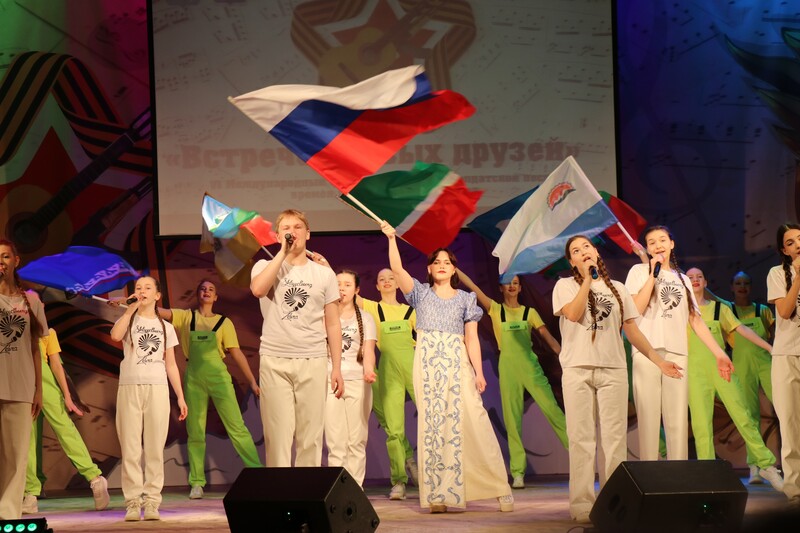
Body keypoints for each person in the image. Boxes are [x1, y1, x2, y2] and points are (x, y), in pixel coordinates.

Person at [381, 221, 514, 513]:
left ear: (454, 270)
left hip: (456, 362)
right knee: (433, 426)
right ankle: (439, 495)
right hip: (427, 365)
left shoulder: (466, 299)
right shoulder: (420, 294)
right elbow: (398, 270)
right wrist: (391, 239)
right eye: (437, 262)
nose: (442, 265)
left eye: (447, 262)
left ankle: (499, 488)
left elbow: (472, 338)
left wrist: (479, 372)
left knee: (475, 420)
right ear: (429, 269)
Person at [555, 235, 682, 522]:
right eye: (576, 250)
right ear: (571, 261)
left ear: (596, 251)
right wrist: (587, 280)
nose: (583, 251)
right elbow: (573, 314)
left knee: (615, 440)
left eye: (586, 246)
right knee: (582, 439)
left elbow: (632, 330)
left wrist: (658, 360)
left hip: (613, 369)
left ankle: (613, 503)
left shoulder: (620, 289)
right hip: (577, 369)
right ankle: (582, 503)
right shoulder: (564, 286)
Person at [111, 279, 263, 499]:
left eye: (211, 289)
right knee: (195, 431)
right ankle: (197, 482)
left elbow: (237, 353)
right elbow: (154, 309)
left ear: (216, 297)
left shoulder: (224, 323)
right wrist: (126, 302)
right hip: (194, 378)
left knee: (237, 427)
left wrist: (252, 381)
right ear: (197, 294)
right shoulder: (185, 317)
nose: (206, 291)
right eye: (202, 288)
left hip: (219, 378)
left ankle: (257, 475)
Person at [625, 226, 733, 461]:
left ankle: (678, 473)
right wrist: (652, 274)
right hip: (647, 352)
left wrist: (719, 353)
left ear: (672, 244)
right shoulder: (638, 272)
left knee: (677, 420)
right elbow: (635, 309)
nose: (658, 245)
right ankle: (650, 474)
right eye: (652, 242)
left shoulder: (682, 279)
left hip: (677, 353)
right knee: (649, 419)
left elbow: (695, 319)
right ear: (647, 248)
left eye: (662, 240)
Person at [250, 209, 343, 468]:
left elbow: (333, 323)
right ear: (278, 235)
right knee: (278, 435)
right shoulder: (264, 266)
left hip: (313, 358)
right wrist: (282, 253)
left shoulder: (324, 274)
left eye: (298, 227)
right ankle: (279, 491)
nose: (292, 232)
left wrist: (336, 367)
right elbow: (258, 289)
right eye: (286, 228)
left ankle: (306, 491)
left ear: (308, 234)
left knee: (310, 436)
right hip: (275, 359)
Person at [458, 269, 568, 489]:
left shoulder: (529, 312)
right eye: (507, 283)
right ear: (501, 288)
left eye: (515, 283)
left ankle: (581, 458)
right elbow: (473, 287)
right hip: (508, 369)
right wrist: (456, 270)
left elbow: (549, 340)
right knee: (512, 420)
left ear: (520, 288)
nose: (511, 286)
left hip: (530, 367)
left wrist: (566, 358)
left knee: (554, 412)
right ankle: (518, 472)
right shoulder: (495, 309)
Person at [684, 267, 783, 490]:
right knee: (701, 425)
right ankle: (707, 475)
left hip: (723, 369)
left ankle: (765, 465)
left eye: (699, 276)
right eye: (690, 277)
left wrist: (769, 347)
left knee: (743, 415)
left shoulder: (720, 308)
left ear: (706, 282)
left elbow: (742, 330)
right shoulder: (680, 311)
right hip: (695, 373)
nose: (695, 280)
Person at [110, 275, 188, 521]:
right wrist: (129, 309)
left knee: (154, 448)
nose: (142, 291)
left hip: (157, 388)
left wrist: (180, 396)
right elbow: (115, 336)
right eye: (138, 288)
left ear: (157, 295)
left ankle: (152, 501)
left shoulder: (166, 327)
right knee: (131, 448)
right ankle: (133, 502)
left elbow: (171, 364)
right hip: (129, 387)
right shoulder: (128, 319)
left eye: (147, 288)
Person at [22, 326, 110, 514]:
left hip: (46, 384)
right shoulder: (12, 330)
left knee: (66, 431)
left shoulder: (48, 332)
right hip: (23, 383)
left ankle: (95, 478)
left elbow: (56, 365)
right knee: (27, 440)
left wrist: (69, 396)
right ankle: (31, 493)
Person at [356, 268, 418, 499]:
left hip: (414, 369)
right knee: (394, 429)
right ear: (377, 286)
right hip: (389, 372)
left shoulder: (410, 311)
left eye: (391, 278)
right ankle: (399, 481)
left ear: (399, 283)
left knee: (430, 422)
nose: (387, 281)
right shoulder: (373, 308)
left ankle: (435, 476)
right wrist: (323, 266)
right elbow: (346, 290)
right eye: (382, 279)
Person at [0, 239, 46, 520]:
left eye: (6, 256)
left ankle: (8, 513)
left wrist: (38, 390)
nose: (1, 261)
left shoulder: (31, 300)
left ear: (16, 261)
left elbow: (35, 348)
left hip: (20, 386)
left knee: (17, 455)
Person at [323, 270, 377, 487]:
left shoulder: (366, 318)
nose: (341, 288)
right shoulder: (323, 315)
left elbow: (369, 350)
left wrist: (369, 370)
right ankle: (337, 489)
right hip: (330, 381)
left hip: (357, 381)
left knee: (357, 439)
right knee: (335, 440)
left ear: (356, 290)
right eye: (338, 284)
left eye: (347, 284)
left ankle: (355, 489)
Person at [725, 270, 776, 484]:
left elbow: (773, 336)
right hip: (741, 366)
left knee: (785, 408)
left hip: (765, 363)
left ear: (751, 286)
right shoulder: (727, 310)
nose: (742, 287)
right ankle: (754, 467)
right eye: (738, 283)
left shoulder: (762, 310)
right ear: (732, 287)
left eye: (746, 283)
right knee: (749, 415)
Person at [767, 222, 800, 508]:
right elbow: (786, 311)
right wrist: (798, 277)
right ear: (784, 250)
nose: (798, 245)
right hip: (787, 356)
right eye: (791, 242)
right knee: (790, 425)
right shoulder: (777, 273)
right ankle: (795, 491)